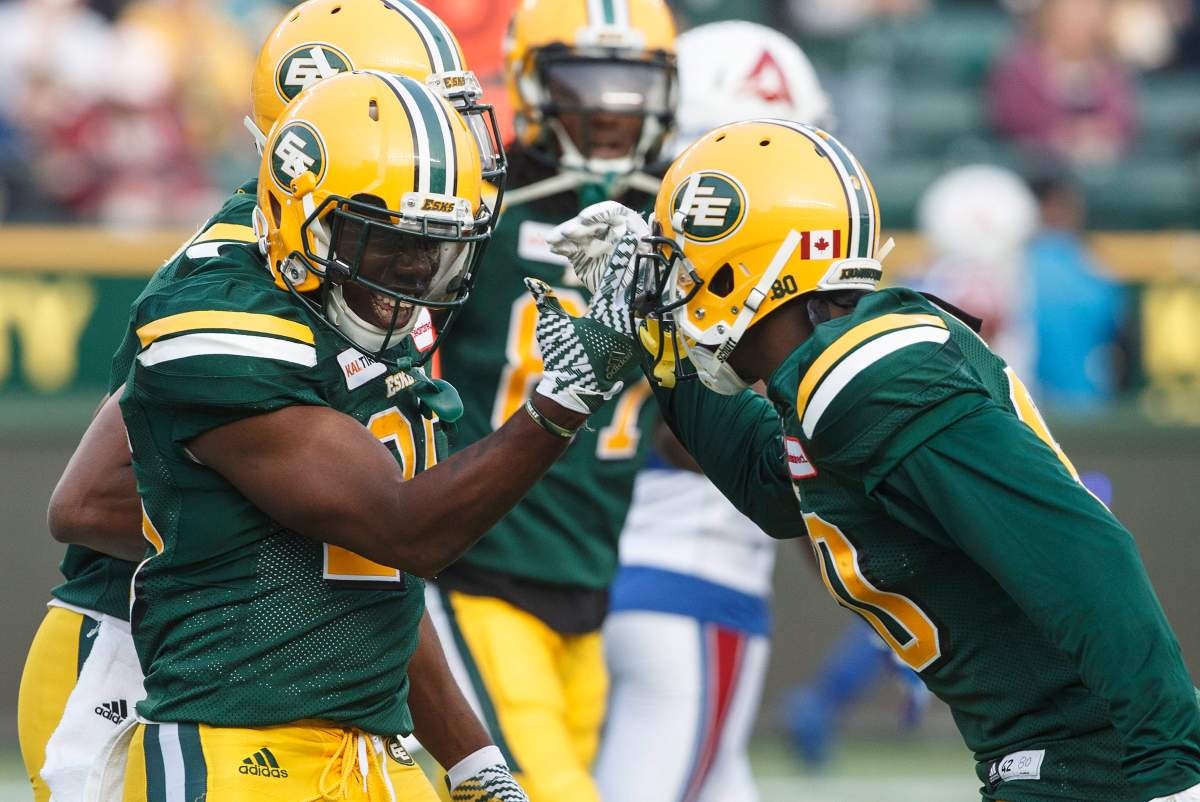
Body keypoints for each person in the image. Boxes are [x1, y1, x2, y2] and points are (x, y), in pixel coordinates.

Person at [554, 119, 1200, 801]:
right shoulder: (833, 380)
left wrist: (1171, 768)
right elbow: (767, 485)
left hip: (1100, 767)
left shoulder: (865, 377)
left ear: (747, 266)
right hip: (1059, 758)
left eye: (681, 268)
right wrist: (651, 329)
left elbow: (1087, 552)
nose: (673, 288)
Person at [93, 67, 633, 802]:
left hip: (378, 750)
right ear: (307, 217)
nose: (415, 270)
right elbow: (406, 531)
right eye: (391, 243)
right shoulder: (227, 329)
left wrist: (476, 763)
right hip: (239, 751)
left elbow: (376, 583)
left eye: (435, 246)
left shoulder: (367, 318)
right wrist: (561, 400)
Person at [22, 2, 508, 800]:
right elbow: (85, 501)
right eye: (419, 105)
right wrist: (273, 552)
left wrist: (472, 760)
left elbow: (369, 563)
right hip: (141, 659)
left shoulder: (383, 270)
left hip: (271, 680)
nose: (445, 139)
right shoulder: (238, 283)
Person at [424, 2, 676, 800]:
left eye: (631, 88)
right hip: (479, 573)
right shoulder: (479, 205)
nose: (610, 111)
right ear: (532, 82)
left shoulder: (671, 221)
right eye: (586, 84)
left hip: (588, 583)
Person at [591, 21, 824, 802]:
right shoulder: (755, 273)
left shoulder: (611, 232)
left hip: (605, 571)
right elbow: (777, 450)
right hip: (694, 578)